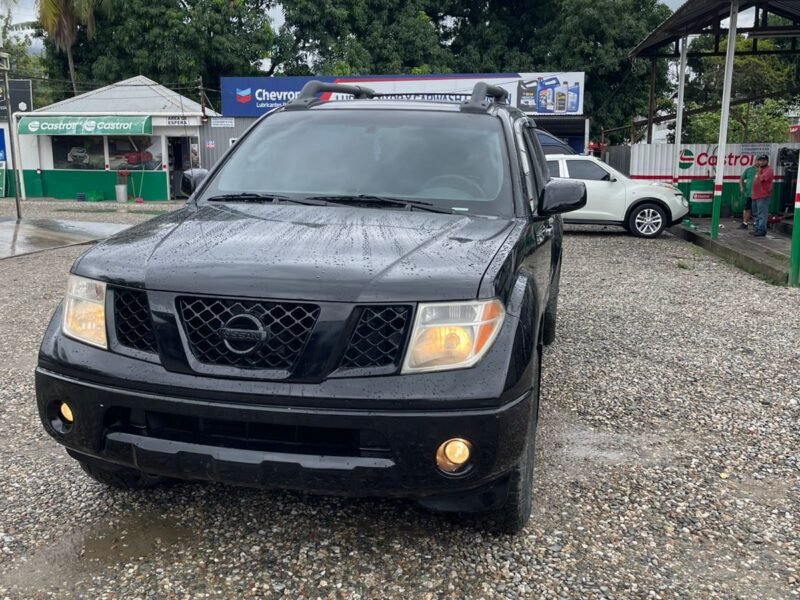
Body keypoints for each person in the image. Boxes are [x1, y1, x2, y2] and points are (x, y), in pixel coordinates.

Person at [750, 154, 774, 237]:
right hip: (755, 195)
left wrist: (759, 170)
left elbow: (761, 179)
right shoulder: (759, 170)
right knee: (755, 214)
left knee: (762, 214)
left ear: (767, 161)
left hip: (763, 196)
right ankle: (757, 229)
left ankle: (762, 230)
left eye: (764, 160)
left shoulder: (768, 170)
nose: (761, 162)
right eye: (760, 160)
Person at [738, 163, 756, 229]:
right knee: (747, 208)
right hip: (749, 194)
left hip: (758, 195)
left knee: (756, 210)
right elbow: (741, 179)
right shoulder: (749, 170)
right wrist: (741, 187)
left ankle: (756, 224)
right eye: (757, 160)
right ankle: (744, 223)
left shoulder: (763, 170)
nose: (758, 162)